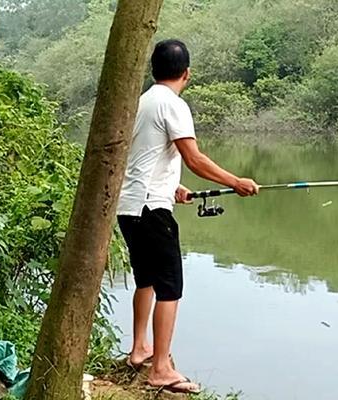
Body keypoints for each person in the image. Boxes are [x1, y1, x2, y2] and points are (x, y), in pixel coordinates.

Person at [116, 39, 260, 393]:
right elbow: (194, 158)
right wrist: (235, 181)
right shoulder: (173, 104)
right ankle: (160, 368)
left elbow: (147, 156)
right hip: (151, 209)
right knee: (170, 286)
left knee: (146, 279)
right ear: (187, 73)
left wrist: (173, 187)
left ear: (154, 70)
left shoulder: (143, 102)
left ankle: (140, 350)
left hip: (130, 206)